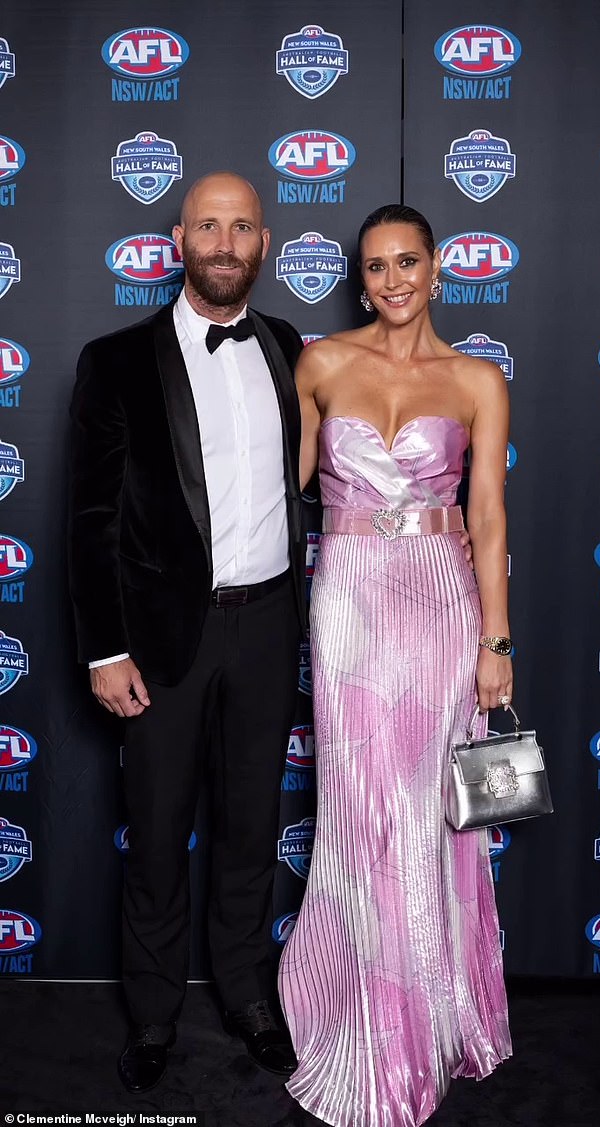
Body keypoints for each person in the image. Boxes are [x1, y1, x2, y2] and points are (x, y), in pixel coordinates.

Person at [68, 172, 306, 1092]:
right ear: (178, 239)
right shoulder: (116, 359)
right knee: (159, 834)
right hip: (162, 637)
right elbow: (90, 518)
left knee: (251, 827)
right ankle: (157, 1012)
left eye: (241, 225)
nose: (224, 240)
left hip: (269, 621)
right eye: (208, 224)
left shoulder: (284, 345)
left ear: (264, 242)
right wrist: (103, 647)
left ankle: (248, 993)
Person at [278, 204, 513, 1126]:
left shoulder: (477, 379)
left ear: (438, 268)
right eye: (375, 267)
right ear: (360, 277)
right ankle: (359, 1010)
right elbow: (278, 480)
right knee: (359, 801)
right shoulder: (322, 362)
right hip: (347, 600)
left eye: (406, 261)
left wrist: (497, 642)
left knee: (423, 810)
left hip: (439, 603)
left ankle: (424, 1012)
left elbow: (488, 514)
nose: (392, 280)